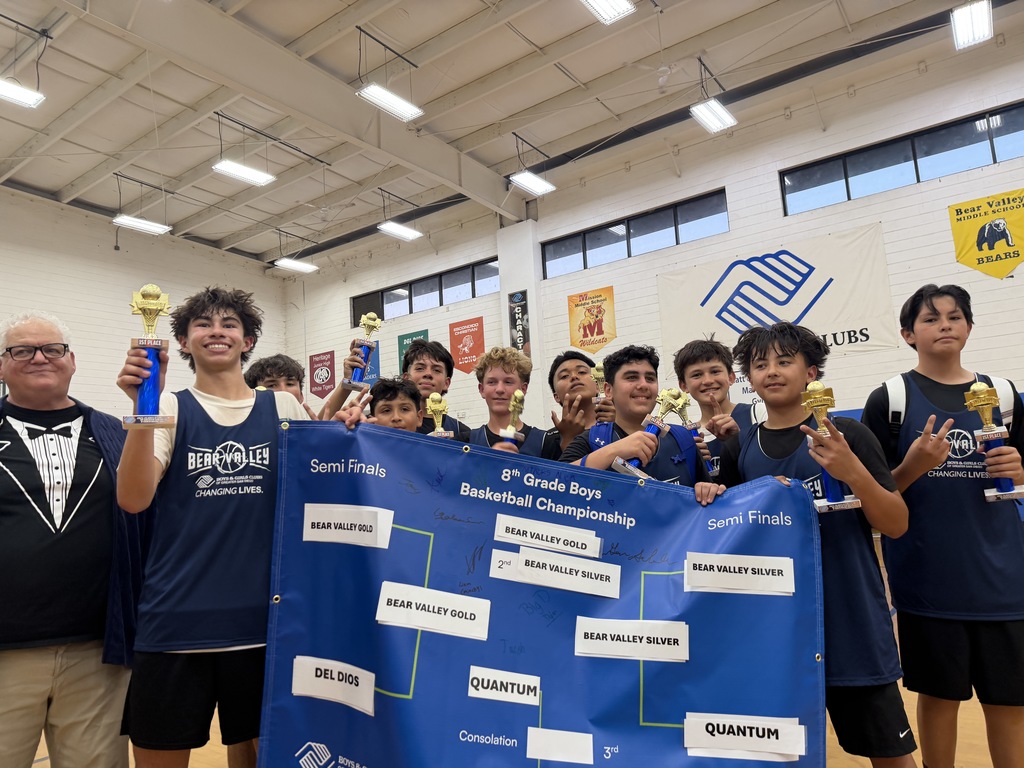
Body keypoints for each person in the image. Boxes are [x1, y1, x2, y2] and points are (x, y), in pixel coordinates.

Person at [114, 287, 352, 768]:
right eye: (203, 324)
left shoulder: (282, 408)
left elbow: (325, 493)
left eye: (229, 324)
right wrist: (144, 408)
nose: (216, 331)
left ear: (248, 341)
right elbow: (133, 499)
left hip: (267, 626)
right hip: (176, 624)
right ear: (183, 341)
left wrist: (350, 438)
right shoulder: (169, 407)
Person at [716, 322, 916, 768]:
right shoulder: (739, 449)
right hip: (777, 631)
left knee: (891, 754)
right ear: (749, 378)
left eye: (784, 361)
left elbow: (896, 523)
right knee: (780, 757)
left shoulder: (848, 434)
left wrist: (852, 471)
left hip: (854, 623)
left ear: (811, 373)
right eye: (760, 364)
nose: (771, 371)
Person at [861, 284, 1024, 768]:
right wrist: (913, 466)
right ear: (908, 334)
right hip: (927, 584)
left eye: (954, 317)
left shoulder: (1005, 395)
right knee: (938, 699)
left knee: (1010, 704)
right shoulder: (889, 400)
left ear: (969, 327)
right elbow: (873, 494)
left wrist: (1020, 472)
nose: (945, 325)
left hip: (1004, 583)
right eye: (930, 319)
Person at [0, 311, 146, 768]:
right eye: (22, 350)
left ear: (73, 360)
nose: (39, 358)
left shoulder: (116, 433)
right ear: (2, 365)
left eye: (53, 348)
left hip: (97, 653)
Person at [558, 344, 718, 500]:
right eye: (631, 377)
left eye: (650, 378)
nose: (643, 385)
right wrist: (613, 451)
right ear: (608, 390)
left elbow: (708, 500)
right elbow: (554, 484)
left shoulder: (683, 438)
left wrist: (708, 491)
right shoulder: (591, 440)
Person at [343, 337, 471, 441]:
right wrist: (346, 383)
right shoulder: (371, 424)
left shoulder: (461, 432)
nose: (428, 374)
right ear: (405, 378)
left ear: (446, 383)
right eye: (420, 368)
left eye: (436, 370)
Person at [471, 346, 561, 458]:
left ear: (523, 389)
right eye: (492, 382)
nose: (499, 389)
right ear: (482, 389)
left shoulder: (545, 442)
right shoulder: (466, 442)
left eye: (508, 382)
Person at [547, 350, 615, 451]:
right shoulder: (546, 441)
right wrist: (567, 439)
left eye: (582, 372)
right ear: (556, 396)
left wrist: (618, 427)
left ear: (598, 386)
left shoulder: (621, 423)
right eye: (564, 376)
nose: (574, 377)